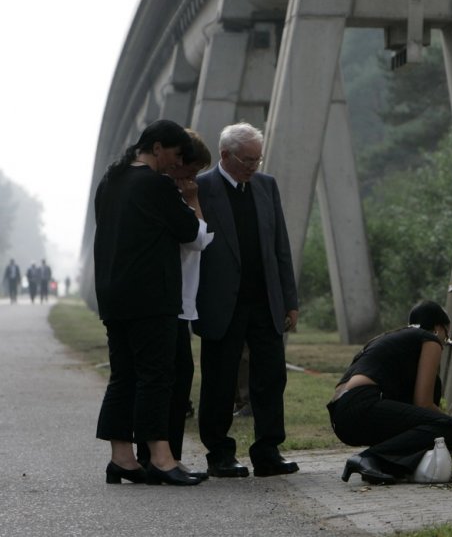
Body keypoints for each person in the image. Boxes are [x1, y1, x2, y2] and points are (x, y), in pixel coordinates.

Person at [93, 119, 204, 487]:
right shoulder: (155, 185)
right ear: (157, 148)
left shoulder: (111, 179)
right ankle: (161, 457)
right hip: (150, 296)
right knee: (156, 375)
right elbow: (189, 231)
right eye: (175, 154)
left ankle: (122, 458)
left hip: (114, 293)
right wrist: (188, 200)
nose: (176, 163)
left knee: (123, 375)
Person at [193, 122, 299, 479]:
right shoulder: (202, 187)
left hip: (265, 300)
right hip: (221, 303)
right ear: (225, 155)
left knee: (271, 377)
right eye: (247, 160)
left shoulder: (267, 186)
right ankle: (219, 452)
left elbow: (279, 246)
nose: (254, 166)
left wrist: (289, 299)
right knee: (219, 380)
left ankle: (268, 450)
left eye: (258, 159)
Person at [135, 129, 214, 478]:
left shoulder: (168, 192)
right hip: (170, 300)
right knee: (171, 378)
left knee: (176, 378)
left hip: (181, 300)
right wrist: (194, 201)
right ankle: (160, 457)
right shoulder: (167, 194)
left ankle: (166, 455)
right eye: (189, 172)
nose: (192, 180)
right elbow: (197, 240)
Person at [328, 300, 452, 484]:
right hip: (363, 405)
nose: (445, 341)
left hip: (341, 418)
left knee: (430, 421)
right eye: (446, 333)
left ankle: (382, 464)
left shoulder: (390, 339)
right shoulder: (430, 340)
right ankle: (369, 458)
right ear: (438, 328)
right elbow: (423, 403)